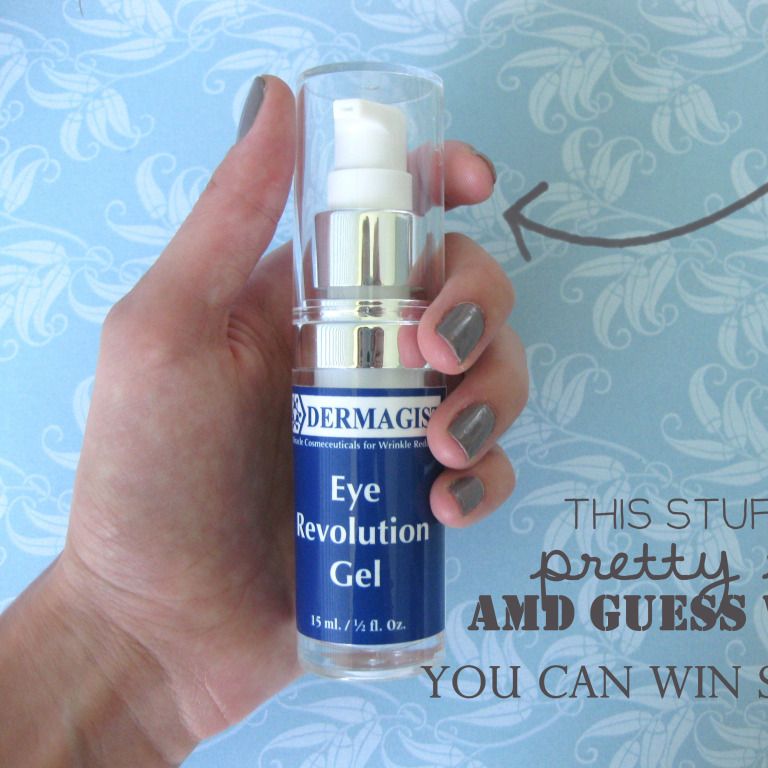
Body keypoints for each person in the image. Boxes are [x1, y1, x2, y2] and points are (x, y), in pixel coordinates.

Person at [0, 76, 527, 766]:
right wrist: (111, 622)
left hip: (390, 602)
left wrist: (114, 639)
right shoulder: (307, 331)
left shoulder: (404, 326)